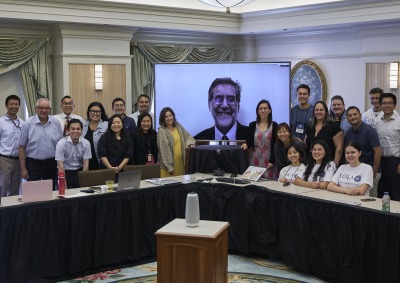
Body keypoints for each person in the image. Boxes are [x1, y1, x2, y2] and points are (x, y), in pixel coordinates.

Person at [19, 98, 63, 189]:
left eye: (46, 108)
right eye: (41, 107)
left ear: (50, 110)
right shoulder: (28, 123)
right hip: (33, 164)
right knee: (33, 191)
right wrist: (23, 168)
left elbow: (60, 145)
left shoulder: (55, 122)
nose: (44, 110)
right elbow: (21, 147)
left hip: (51, 163)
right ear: (36, 108)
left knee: (50, 190)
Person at [194, 77, 248, 142]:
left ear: (238, 105)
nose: (225, 105)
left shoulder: (253, 137)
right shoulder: (198, 141)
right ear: (209, 104)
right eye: (218, 99)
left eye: (231, 99)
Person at [344, 106, 381, 197]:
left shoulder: (370, 131)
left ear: (360, 115)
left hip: (371, 169)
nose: (352, 117)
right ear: (347, 118)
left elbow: (378, 151)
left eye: (355, 114)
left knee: (370, 198)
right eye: (350, 115)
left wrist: (374, 171)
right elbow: (347, 153)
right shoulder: (348, 133)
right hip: (355, 171)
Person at [241, 99, 278, 179]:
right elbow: (249, 141)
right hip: (255, 158)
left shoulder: (274, 125)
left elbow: (276, 145)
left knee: (269, 184)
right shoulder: (252, 125)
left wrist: (272, 160)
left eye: (265, 108)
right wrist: (246, 144)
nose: (263, 111)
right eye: (260, 109)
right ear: (258, 111)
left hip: (269, 160)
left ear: (269, 110)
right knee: (254, 182)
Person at [373, 93, 400, 200]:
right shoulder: (377, 122)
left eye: (390, 103)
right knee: (380, 191)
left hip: (395, 162)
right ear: (380, 105)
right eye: (384, 103)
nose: (387, 106)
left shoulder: (399, 121)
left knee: (395, 192)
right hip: (379, 161)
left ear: (394, 105)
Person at [158, 107, 195, 177]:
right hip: (169, 167)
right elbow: (164, 150)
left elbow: (187, 136)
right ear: (163, 119)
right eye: (166, 117)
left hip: (180, 163)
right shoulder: (162, 131)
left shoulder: (178, 127)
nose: (169, 118)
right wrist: (170, 167)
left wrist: (190, 144)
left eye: (170, 115)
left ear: (173, 116)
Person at [55, 119, 91, 188]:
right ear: (68, 131)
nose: (75, 131)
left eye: (78, 129)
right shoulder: (61, 144)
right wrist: (63, 184)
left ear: (82, 131)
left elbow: (86, 164)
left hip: (79, 172)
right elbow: (60, 166)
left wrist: (84, 181)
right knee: (64, 194)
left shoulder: (86, 143)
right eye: (73, 129)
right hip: (65, 171)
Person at [0, 95, 25, 197]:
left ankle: (13, 213)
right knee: (3, 189)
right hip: (4, 160)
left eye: (16, 104)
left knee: (15, 190)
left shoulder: (22, 123)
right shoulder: (1, 122)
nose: (14, 106)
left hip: (18, 160)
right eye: (11, 104)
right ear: (6, 105)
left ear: (19, 106)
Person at [305, 101, 343, 166]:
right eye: (316, 110)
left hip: (328, 164)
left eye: (321, 110)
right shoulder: (309, 126)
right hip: (311, 163)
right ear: (314, 112)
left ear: (326, 111)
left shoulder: (333, 126)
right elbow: (306, 144)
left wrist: (334, 165)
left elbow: (339, 148)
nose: (318, 112)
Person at [82, 102, 108, 170]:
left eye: (98, 111)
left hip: (101, 161)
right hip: (85, 161)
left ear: (101, 112)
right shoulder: (83, 125)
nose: (95, 113)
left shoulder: (107, 125)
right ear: (88, 112)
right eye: (92, 111)